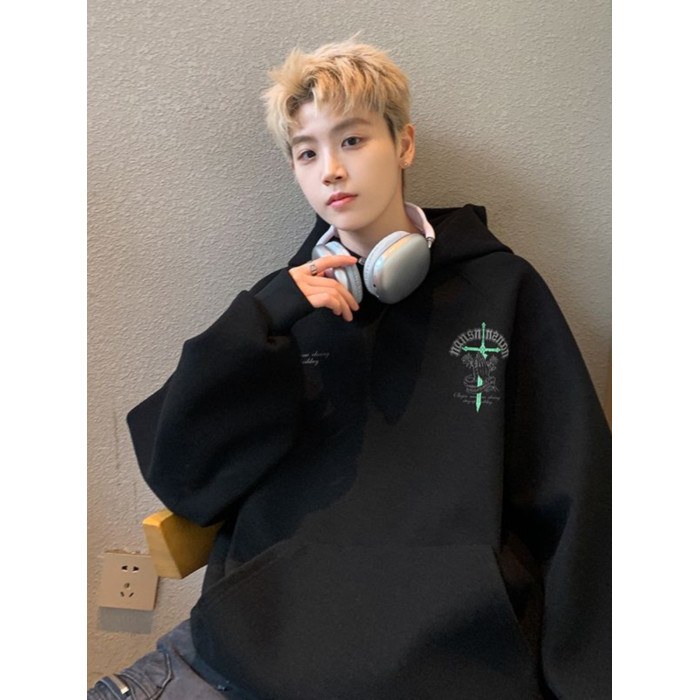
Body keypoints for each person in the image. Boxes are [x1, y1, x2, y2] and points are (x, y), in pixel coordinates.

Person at [89, 40, 611, 699]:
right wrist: (261, 319)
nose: (331, 170)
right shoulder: (278, 312)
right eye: (307, 152)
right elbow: (183, 477)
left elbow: (578, 493)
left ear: (404, 144)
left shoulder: (502, 291)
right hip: (263, 650)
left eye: (353, 140)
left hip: (447, 657)